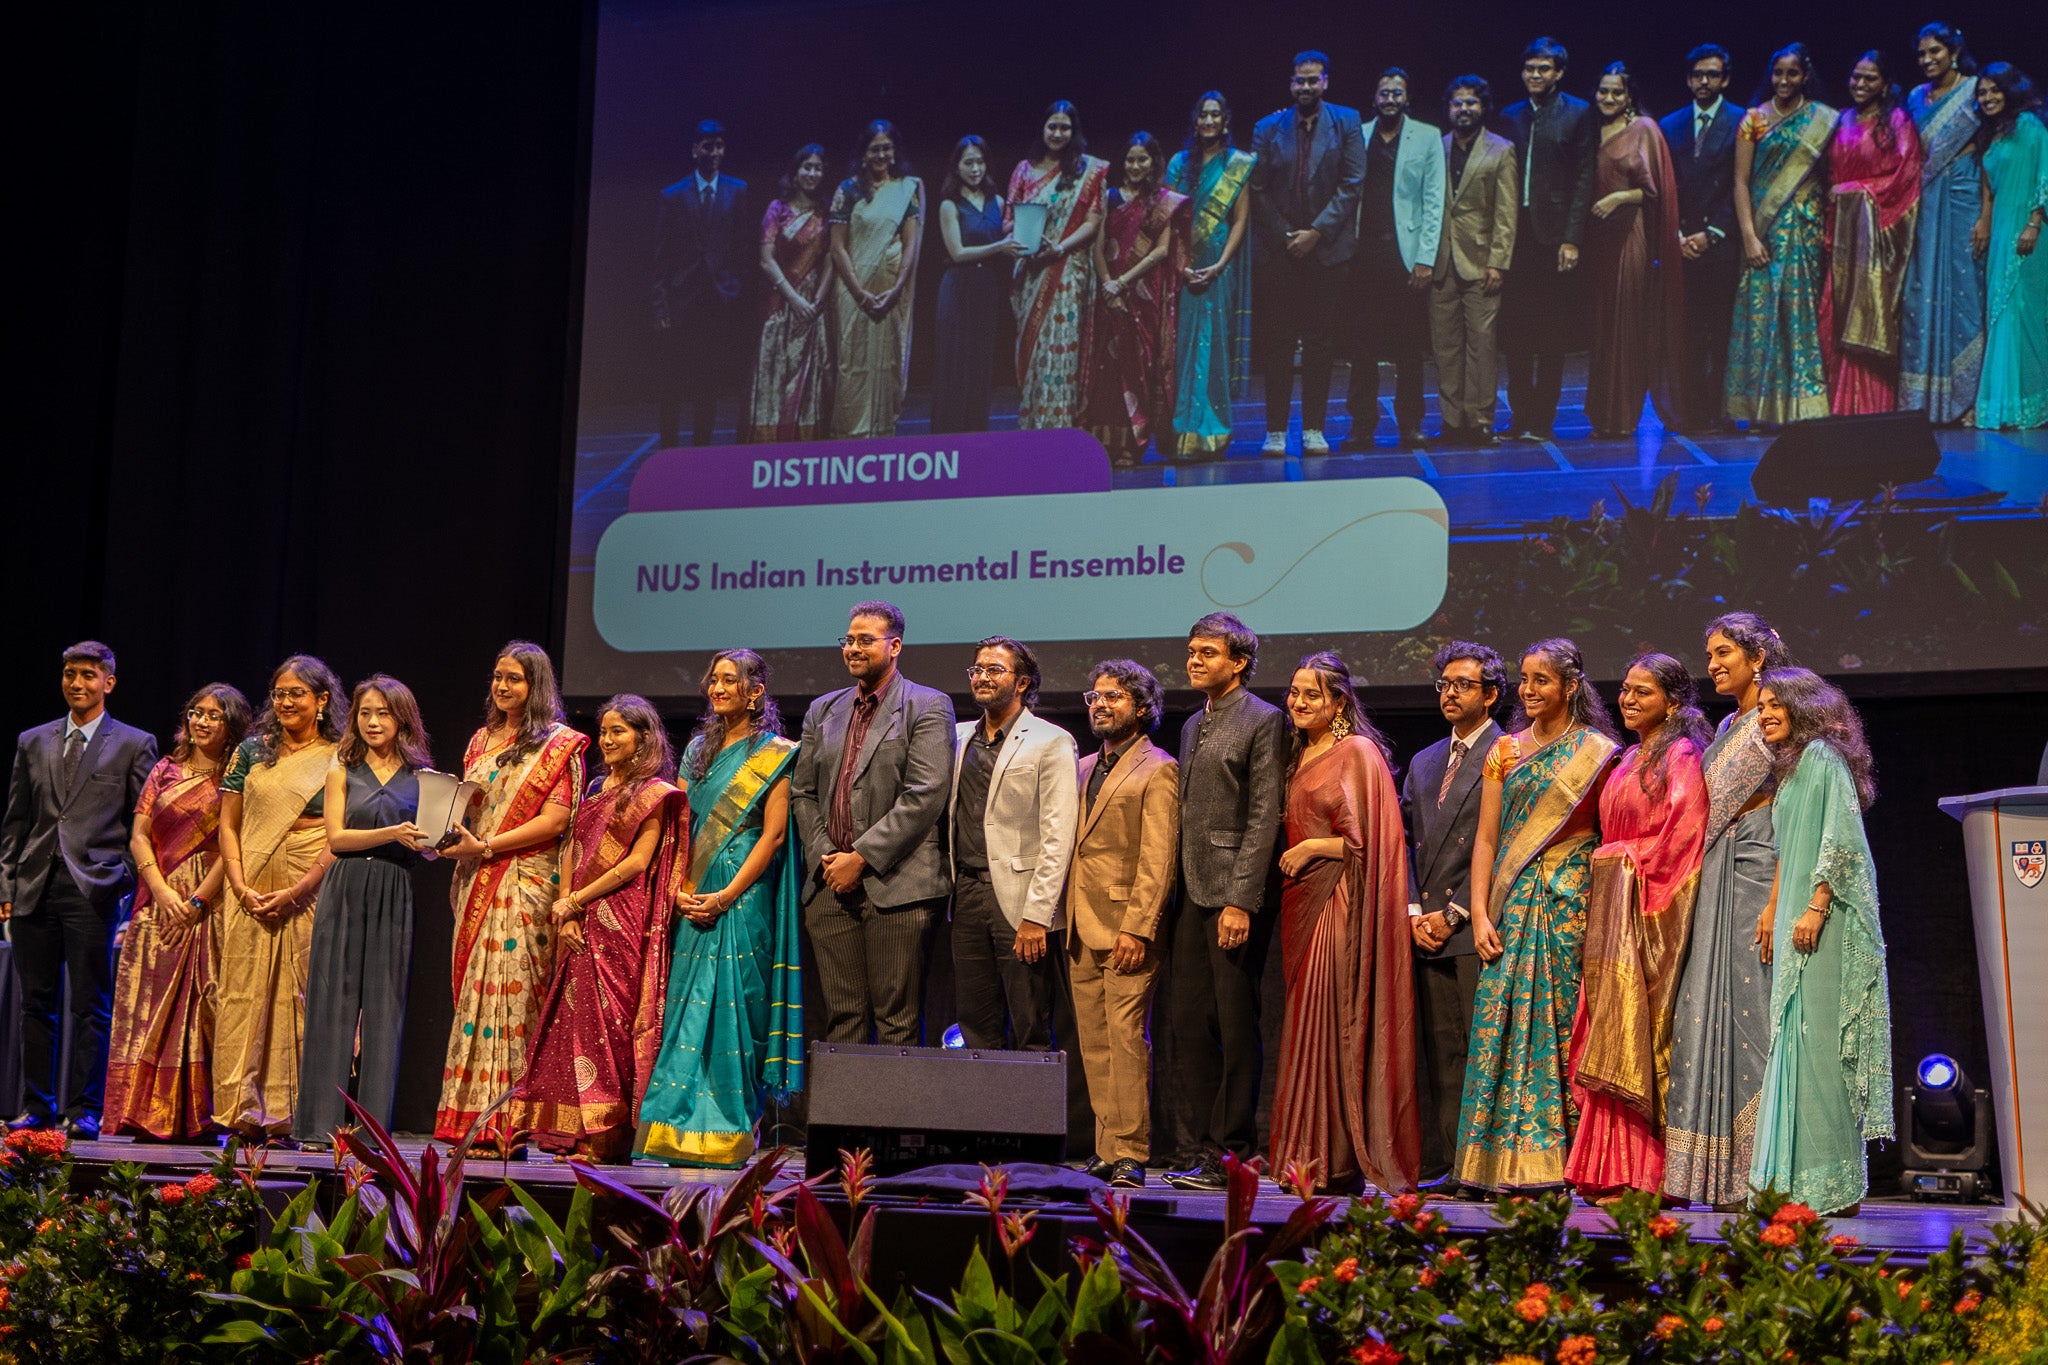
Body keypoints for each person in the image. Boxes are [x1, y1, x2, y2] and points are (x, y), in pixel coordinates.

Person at [1454, 638, 1620, 1193]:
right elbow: (1487, 839)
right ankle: (1493, 1163)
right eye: (1524, 679)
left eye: (1541, 680)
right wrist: (1478, 912)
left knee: (1562, 1023)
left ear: (1570, 687)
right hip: (1514, 902)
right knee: (1502, 1024)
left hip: (1573, 903)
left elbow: (1608, 832)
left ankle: (1567, 1160)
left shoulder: (1599, 751)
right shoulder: (1504, 750)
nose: (1527, 690)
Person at [641, 651, 804, 1166]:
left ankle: (732, 1130)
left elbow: (774, 834)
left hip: (744, 894)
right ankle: (672, 1127)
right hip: (694, 891)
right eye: (714, 680)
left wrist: (727, 895)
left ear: (756, 692)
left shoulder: (776, 753)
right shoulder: (696, 751)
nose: (718, 688)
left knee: (738, 1010)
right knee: (688, 1012)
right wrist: (679, 887)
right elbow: (682, 828)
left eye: (730, 680)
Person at [1270, 653, 1419, 1194]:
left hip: (1337, 903)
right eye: (1293, 693)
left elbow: (1372, 839)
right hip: (1300, 905)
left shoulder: (1355, 751)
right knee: (1303, 1027)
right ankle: (1304, 1156)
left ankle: (1330, 1158)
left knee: (1329, 1024)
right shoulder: (1297, 754)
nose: (1299, 703)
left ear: (1339, 702)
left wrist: (1312, 846)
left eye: (1312, 694)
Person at [1565, 654, 1711, 1201]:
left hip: (1647, 914)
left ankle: (1650, 1174)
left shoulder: (1682, 755)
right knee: (1607, 1027)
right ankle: (1607, 1167)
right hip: (1613, 915)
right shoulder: (1628, 757)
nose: (1627, 699)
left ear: (1672, 702)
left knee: (1645, 1036)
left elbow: (1685, 837)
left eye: (1642, 692)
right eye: (1624, 689)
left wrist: (1625, 862)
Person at [1749, 667, 1893, 1215]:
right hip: (1792, 913)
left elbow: (1839, 840)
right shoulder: (1789, 770)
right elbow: (1789, 848)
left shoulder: (1822, 759)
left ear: (1802, 706)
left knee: (1820, 1047)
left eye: (1772, 705)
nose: (1763, 715)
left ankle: (1829, 1180)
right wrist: (1773, 906)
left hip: (1822, 920)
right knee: (1796, 1039)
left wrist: (1815, 905)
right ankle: (1791, 1179)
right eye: (1760, 706)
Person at [0, 643, 157, 1139]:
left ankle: (85, 1109)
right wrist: (7, 883)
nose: (77, 684)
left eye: (88, 676)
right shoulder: (34, 741)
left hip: (94, 888)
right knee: (35, 1003)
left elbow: (142, 824)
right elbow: (16, 821)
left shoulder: (134, 743)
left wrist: (123, 878)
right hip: (34, 886)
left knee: (91, 1004)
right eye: (70, 674)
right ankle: (37, 1108)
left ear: (108, 682)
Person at [519, 695, 686, 1161]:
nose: (608, 740)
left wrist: (577, 899)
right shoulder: (595, 789)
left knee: (611, 1022)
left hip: (620, 918)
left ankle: (606, 1136)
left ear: (644, 738)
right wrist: (567, 908)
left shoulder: (653, 792)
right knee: (575, 1022)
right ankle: (573, 1132)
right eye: (605, 731)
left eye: (620, 732)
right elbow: (572, 850)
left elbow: (636, 862)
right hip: (581, 913)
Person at [435, 642, 588, 1149]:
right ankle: (469, 1117)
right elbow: (468, 808)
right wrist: (443, 835)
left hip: (526, 880)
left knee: (517, 1000)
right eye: (497, 677)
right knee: (475, 1001)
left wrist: (488, 846)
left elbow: (558, 820)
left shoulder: (559, 745)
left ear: (536, 684)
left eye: (514, 679)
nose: (502, 687)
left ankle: (513, 1120)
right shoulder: (480, 740)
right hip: (476, 876)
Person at [1665, 611, 1791, 1208]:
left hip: (1758, 870)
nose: (1712, 665)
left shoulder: (1776, 714)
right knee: (1708, 1012)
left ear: (1757, 656)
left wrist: (1776, 900)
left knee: (1755, 1019)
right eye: (1709, 654)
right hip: (1718, 875)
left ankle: (1764, 1171)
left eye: (1723, 654)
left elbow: (1795, 803)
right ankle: (1718, 1178)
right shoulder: (1729, 723)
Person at [789, 602, 955, 1045]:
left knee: (896, 1024)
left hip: (898, 887)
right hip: (829, 888)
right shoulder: (823, 710)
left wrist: (860, 857)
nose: (853, 648)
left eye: (866, 639)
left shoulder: (928, 705)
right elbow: (803, 792)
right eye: (848, 639)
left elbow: (925, 794)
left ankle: (891, 1118)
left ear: (894, 645)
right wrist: (828, 857)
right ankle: (844, 1119)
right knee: (843, 1022)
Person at [1164, 612, 1288, 1191]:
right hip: (1190, 891)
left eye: (1207, 653)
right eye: (1191, 651)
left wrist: (1242, 900)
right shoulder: (1193, 724)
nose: (1194, 660)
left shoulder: (1264, 720)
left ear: (1238, 661)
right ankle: (1206, 1148)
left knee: (1236, 1024)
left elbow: (1265, 815)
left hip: (1233, 894)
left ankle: (1236, 1153)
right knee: (1190, 1024)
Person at [102, 685, 249, 1140]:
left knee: (203, 1006)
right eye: (195, 712)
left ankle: (196, 1114)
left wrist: (197, 903)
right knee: (143, 1005)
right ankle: (139, 1111)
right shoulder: (165, 769)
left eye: (214, 716)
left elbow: (233, 846)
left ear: (232, 726)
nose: (201, 722)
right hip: (156, 901)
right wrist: (162, 892)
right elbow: (139, 835)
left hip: (209, 906)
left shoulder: (237, 776)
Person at [294, 675, 430, 1147]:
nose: (372, 722)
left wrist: (439, 841)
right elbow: (336, 839)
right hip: (347, 886)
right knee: (334, 1001)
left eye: (383, 713)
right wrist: (393, 832)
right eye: (365, 713)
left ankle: (372, 1131)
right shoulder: (342, 770)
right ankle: (318, 1125)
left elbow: (429, 845)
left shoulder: (422, 779)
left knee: (384, 1006)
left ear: (402, 719)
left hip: (394, 888)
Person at [214, 655, 344, 1140]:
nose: (286, 701)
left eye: (298, 693)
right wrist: (239, 883)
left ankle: (294, 1113)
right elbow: (228, 824)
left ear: (322, 700)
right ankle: (243, 1112)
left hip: (310, 885)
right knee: (243, 996)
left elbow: (339, 834)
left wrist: (300, 888)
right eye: (280, 693)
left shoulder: (339, 754)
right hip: (247, 883)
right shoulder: (251, 751)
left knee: (300, 994)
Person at [1065, 662, 1178, 1189]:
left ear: (1141, 706)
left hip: (1125, 928)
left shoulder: (1159, 769)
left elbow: (1159, 859)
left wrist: (1140, 928)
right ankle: (1106, 1147)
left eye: (1113, 697)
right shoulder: (1085, 766)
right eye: (1095, 697)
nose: (1100, 705)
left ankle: (1131, 1151)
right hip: (1079, 926)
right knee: (1094, 1043)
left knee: (1127, 1038)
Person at [1402, 642, 1505, 1185]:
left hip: (1476, 923)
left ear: (1490, 694)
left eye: (1462, 684)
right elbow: (1407, 842)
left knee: (1479, 1051)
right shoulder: (1422, 761)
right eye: (1444, 684)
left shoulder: (1506, 752)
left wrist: (1455, 911)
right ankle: (1448, 1161)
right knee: (1442, 1052)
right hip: (1425, 928)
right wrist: (1416, 910)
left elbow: (1502, 843)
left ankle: (1482, 1164)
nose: (1450, 693)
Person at [948, 638, 1078, 1049]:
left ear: (1022, 683)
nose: (983, 677)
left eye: (994, 670)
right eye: (977, 670)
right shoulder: (956, 737)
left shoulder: (1050, 740)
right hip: (966, 892)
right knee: (975, 1024)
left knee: (1030, 1025)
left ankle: (1033, 1115)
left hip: (1020, 901)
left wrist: (1038, 914)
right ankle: (981, 1113)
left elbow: (1058, 835)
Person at [1249, 50, 1367, 456]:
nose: (1306, 87)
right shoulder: (1268, 127)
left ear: (1326, 82)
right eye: (1300, 80)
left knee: (1320, 341)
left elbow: (1352, 183)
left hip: (1327, 250)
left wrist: (1315, 232)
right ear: (1291, 83)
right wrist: (1287, 235)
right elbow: (1258, 187)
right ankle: (1276, 430)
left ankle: (1315, 427)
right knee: (1278, 342)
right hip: (1279, 250)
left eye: (1313, 80)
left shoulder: (1347, 122)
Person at [1726, 44, 1837, 427]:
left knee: (1799, 313)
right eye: (1778, 73)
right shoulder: (1753, 120)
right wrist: (1749, 237)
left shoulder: (1823, 119)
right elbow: (1740, 182)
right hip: (1764, 231)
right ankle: (1759, 409)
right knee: (1761, 317)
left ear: (1805, 76)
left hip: (1806, 232)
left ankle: (1804, 406)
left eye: (1792, 73)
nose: (1784, 81)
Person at [1499, 37, 1599, 443]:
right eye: (1529, 69)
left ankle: (1543, 419)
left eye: (1543, 69)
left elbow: (1583, 180)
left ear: (1558, 73)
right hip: (1516, 234)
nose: (1535, 76)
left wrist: (1572, 239)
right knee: (1517, 332)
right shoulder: (1510, 115)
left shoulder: (1578, 113)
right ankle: (1519, 416)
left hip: (1554, 236)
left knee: (1552, 333)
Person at [1584, 63, 1688, 437]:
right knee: (1602, 325)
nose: (1609, 98)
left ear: (1629, 97)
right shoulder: (1590, 127)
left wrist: (1618, 197)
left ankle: (1624, 417)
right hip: (1596, 238)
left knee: (1626, 323)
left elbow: (1655, 189)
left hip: (1631, 233)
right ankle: (1603, 414)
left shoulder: (1644, 129)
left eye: (1617, 92)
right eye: (1603, 91)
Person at [1821, 51, 1925, 414]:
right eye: (1856, 77)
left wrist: (1854, 192)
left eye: (1869, 79)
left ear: (1885, 84)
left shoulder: (1896, 121)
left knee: (1868, 312)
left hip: (1874, 236)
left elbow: (1907, 178)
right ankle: (1836, 401)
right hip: (1840, 232)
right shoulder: (1841, 119)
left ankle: (1870, 403)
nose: (1860, 85)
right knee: (1833, 312)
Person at [1350, 69, 1445, 448]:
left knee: (1409, 347)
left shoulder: (1427, 135)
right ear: (1375, 98)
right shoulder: (1358, 134)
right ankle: (1361, 426)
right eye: (1384, 93)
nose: (1390, 99)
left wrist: (1426, 258)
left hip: (1406, 254)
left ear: (1407, 98)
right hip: (1363, 254)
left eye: (1397, 93)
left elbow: (1434, 201)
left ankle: (1410, 424)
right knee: (1362, 346)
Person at [1086, 133, 1191, 465]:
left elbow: (1161, 250)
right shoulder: (1110, 198)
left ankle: (1133, 445)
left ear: (1153, 163)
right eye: (1130, 160)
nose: (1135, 166)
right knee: (1107, 369)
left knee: (1140, 366)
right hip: (1109, 294)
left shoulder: (1161, 202)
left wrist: (1123, 282)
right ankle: (1105, 444)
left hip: (1143, 295)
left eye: (1142, 160)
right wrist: (1106, 284)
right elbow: (1097, 246)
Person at [1899, 23, 1985, 424]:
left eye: (1935, 51)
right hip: (1925, 203)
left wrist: (1986, 213)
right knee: (1922, 291)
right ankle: (1921, 403)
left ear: (1954, 51)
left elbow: (1992, 150)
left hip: (1964, 196)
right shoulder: (1915, 97)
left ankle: (1968, 398)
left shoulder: (1975, 91)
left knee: (1966, 292)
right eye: (1921, 54)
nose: (1927, 60)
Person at [1006, 102, 1110, 430]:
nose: (1057, 133)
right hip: (1032, 270)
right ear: (1042, 129)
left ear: (1073, 131)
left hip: (1067, 270)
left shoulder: (1087, 171)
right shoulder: (1024, 169)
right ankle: (1033, 424)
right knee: (1034, 349)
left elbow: (1093, 222)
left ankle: (1061, 426)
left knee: (1062, 348)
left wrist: (1059, 247)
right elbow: (1008, 220)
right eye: (1052, 126)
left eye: (1065, 127)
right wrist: (1028, 237)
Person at [1661, 45, 1744, 434]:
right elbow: (1666, 186)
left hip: (1721, 244)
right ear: (1688, 79)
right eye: (1697, 75)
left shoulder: (1742, 120)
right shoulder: (1671, 124)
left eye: (1712, 75)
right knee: (1689, 333)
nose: (1704, 82)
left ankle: (1719, 410)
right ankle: (1691, 411)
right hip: (1681, 245)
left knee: (1721, 332)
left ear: (1725, 78)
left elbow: (1742, 186)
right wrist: (1678, 234)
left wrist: (1712, 234)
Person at [1167, 93, 1256, 458]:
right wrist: (1180, 264)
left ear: (1225, 121)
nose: (1208, 120)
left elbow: (1240, 220)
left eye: (1215, 115)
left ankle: (1214, 431)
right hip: (1182, 262)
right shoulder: (1178, 163)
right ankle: (1181, 430)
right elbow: (1167, 217)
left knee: (1213, 344)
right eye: (1203, 114)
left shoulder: (1236, 164)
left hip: (1219, 262)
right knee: (1181, 344)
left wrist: (1220, 265)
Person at [1432, 78, 1518, 445]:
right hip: (1440, 259)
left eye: (1470, 103)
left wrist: (1498, 262)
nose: (1463, 109)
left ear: (1482, 107)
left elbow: (1506, 212)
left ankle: (1480, 419)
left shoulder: (1501, 150)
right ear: (1448, 108)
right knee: (1445, 346)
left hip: (1482, 261)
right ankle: (1452, 422)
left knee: (1481, 345)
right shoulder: (1436, 147)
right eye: (1457, 103)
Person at [652, 118, 748, 447]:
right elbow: (661, 258)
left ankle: (701, 454)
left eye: (720, 145)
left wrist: (733, 290)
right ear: (696, 150)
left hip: (717, 302)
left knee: (709, 383)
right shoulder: (673, 195)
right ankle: (668, 452)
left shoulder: (737, 190)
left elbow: (739, 247)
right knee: (674, 383)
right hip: (682, 303)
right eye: (708, 146)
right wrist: (661, 305)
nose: (715, 152)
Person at [828, 121, 924, 439]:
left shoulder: (905, 189)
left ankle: (884, 437)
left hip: (891, 292)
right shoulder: (848, 189)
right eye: (875, 149)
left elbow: (910, 243)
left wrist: (897, 289)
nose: (881, 154)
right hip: (854, 292)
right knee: (851, 365)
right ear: (864, 153)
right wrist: (859, 292)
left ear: (894, 152)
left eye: (886, 148)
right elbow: (837, 247)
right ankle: (850, 442)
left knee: (888, 363)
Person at [1970, 64, 2048, 431]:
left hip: (2029, 229)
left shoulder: (2031, 126)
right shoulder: (1990, 135)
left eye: (1994, 91)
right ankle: (2003, 406)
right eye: (1982, 93)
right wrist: (1984, 220)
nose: (1987, 98)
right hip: (2001, 229)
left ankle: (2032, 405)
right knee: (1999, 315)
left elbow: (2044, 175)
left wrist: (2034, 222)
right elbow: (1989, 187)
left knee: (2024, 314)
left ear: (2010, 90)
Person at [930, 137, 1023, 434]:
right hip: (958, 286)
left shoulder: (996, 202)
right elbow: (957, 252)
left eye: (980, 162)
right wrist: (999, 247)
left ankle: (975, 434)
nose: (975, 169)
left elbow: (1013, 232)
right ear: (956, 166)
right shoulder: (949, 204)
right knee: (955, 362)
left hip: (987, 287)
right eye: (968, 162)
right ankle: (948, 436)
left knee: (981, 363)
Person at [744, 144, 834, 443]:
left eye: (818, 168)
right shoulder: (777, 209)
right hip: (780, 305)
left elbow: (833, 259)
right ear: (795, 173)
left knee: (809, 383)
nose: (812, 173)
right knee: (775, 376)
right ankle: (770, 455)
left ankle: (806, 452)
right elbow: (765, 260)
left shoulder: (827, 212)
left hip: (812, 309)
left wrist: (817, 303)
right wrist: (794, 299)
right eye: (806, 167)